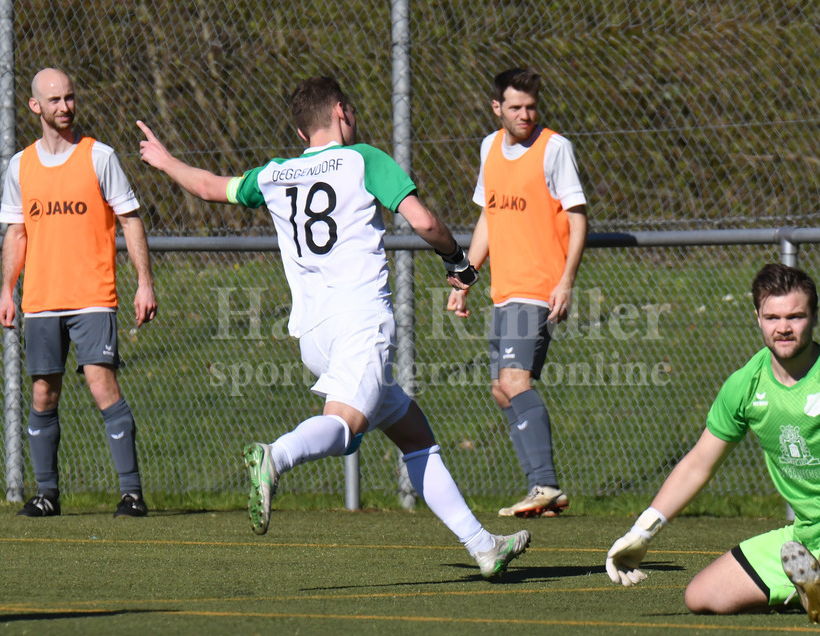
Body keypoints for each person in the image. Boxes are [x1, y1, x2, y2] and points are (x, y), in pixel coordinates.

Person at [136, 75, 530, 580]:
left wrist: (166, 161)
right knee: (345, 429)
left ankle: (482, 546)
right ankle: (274, 456)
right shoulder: (364, 158)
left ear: (302, 135)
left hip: (313, 334)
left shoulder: (276, 174)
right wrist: (457, 260)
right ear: (342, 111)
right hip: (360, 320)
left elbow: (214, 188)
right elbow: (424, 222)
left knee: (415, 435)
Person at [606, 263, 820, 624]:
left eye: (796, 316)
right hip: (806, 531)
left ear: (815, 317)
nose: (783, 328)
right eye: (772, 317)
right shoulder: (745, 384)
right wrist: (642, 531)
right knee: (702, 596)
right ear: (757, 316)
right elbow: (699, 463)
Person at [0, 68, 158, 518]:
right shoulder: (20, 165)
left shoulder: (99, 156)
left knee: (101, 384)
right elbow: (17, 233)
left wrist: (144, 282)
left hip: (92, 296)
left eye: (69, 98)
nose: (64, 107)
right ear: (35, 107)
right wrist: (7, 291)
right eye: (54, 100)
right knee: (43, 394)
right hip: (41, 301)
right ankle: (47, 494)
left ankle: (131, 494)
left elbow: (130, 220)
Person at [447, 67, 587, 518]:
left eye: (531, 106)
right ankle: (542, 490)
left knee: (514, 381)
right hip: (504, 290)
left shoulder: (554, 148)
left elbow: (578, 218)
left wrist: (565, 280)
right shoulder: (489, 147)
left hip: (537, 287)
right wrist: (468, 277)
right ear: (497, 108)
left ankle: (544, 484)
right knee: (500, 389)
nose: (525, 114)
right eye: (515, 107)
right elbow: (488, 216)